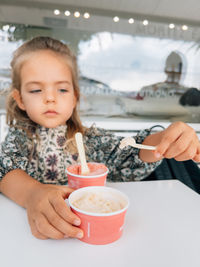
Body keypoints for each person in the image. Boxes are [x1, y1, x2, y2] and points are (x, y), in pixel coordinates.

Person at [0, 37, 199, 241]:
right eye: (36, 90)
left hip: (88, 236)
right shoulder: (20, 138)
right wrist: (33, 193)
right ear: (20, 99)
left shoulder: (90, 140)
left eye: (62, 89)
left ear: (74, 97)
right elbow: (5, 170)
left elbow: (131, 153)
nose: (50, 97)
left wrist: (164, 140)